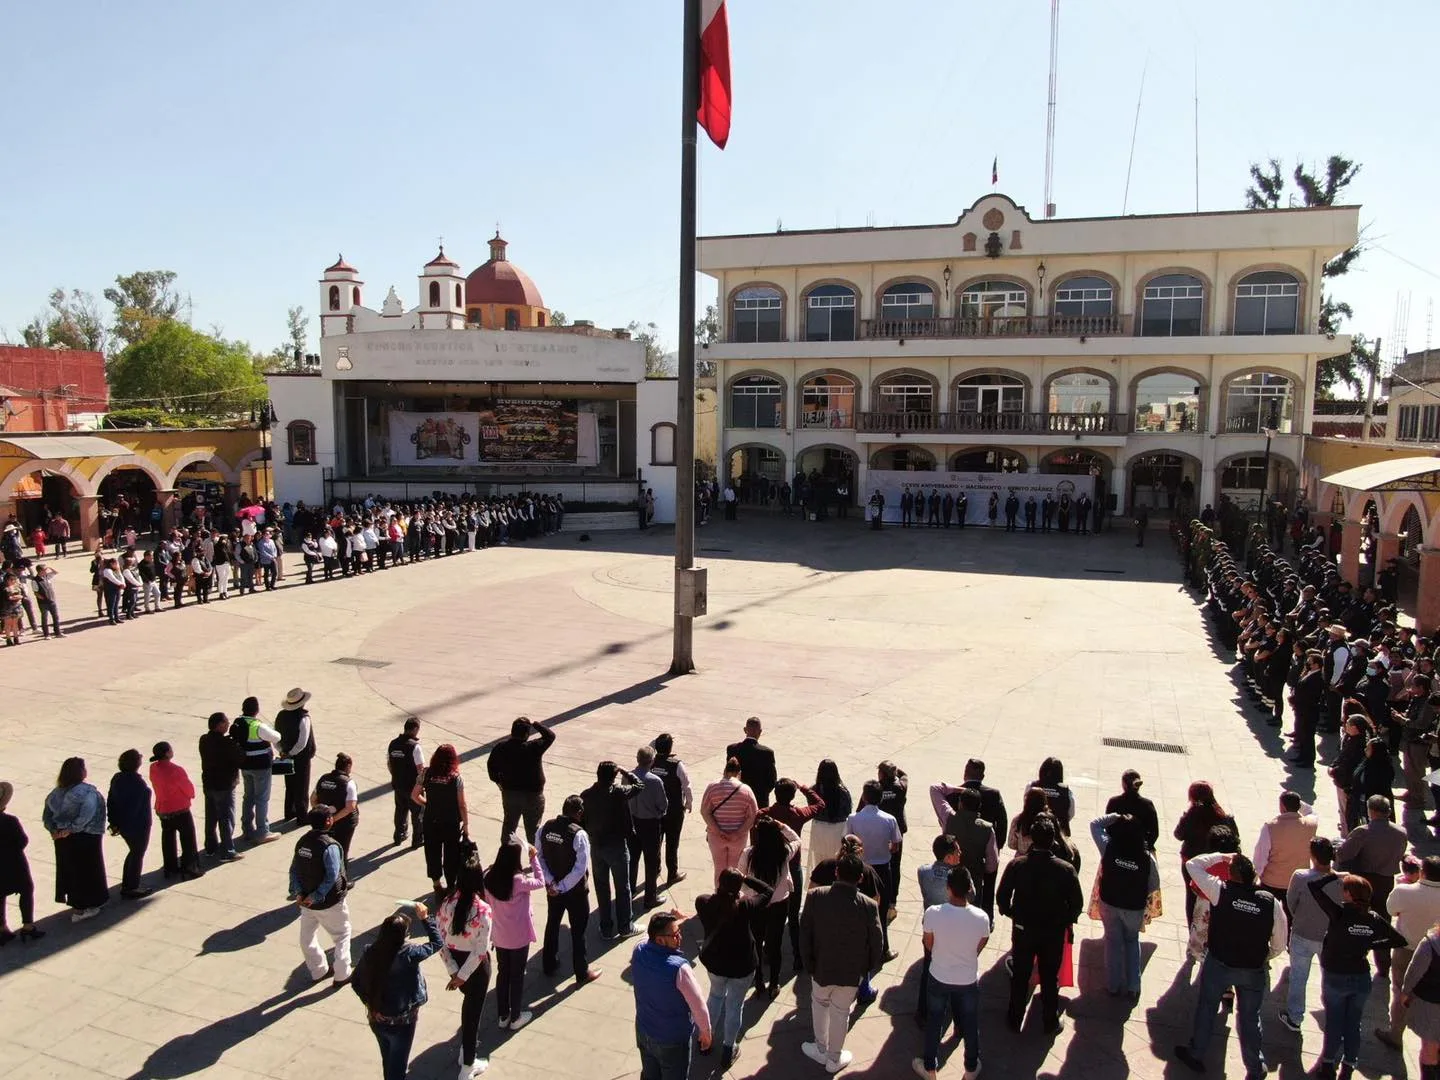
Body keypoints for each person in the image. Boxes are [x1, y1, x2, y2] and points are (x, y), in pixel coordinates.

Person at [1173, 852, 1287, 1078]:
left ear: (1231, 875)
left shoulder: (1220, 891)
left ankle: (1196, 1054)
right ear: (1254, 876)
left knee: (1207, 1008)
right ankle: (1255, 1067)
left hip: (1220, 963)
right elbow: (1280, 943)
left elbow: (1193, 865)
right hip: (1253, 969)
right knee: (1250, 1019)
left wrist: (1222, 857)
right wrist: (1265, 957)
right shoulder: (1270, 903)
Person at [1308, 870, 1409, 1076]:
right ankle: (1349, 1064)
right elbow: (1399, 940)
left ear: (1349, 894)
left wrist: (1333, 875)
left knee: (1335, 1022)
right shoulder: (1373, 918)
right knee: (1353, 1024)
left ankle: (1327, 1064)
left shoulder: (1339, 914)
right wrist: (1371, 942)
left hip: (1336, 975)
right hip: (1360, 976)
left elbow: (1313, 887)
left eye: (1344, 889)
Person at [996, 817, 1083, 1035]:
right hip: (1052, 932)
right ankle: (1049, 1020)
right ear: (1053, 840)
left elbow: (1002, 896)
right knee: (1049, 976)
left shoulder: (1018, 865)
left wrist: (1013, 914)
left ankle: (1014, 1018)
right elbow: (1076, 904)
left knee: (1020, 974)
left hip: (1024, 929)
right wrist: (1064, 921)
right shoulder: (1065, 869)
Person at [800, 851, 884, 1074]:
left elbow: (804, 933)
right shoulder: (868, 905)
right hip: (850, 973)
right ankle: (834, 1057)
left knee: (819, 1006)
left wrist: (809, 963)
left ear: (836, 872)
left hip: (821, 968)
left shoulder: (816, 895)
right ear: (860, 878)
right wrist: (864, 968)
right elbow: (877, 943)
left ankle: (820, 1048)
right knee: (841, 1012)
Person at [352, 903, 446, 1080]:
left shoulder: (370, 951)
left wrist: (370, 1004)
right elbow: (436, 942)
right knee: (397, 1067)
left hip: (377, 1018)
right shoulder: (409, 953)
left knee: (388, 1059)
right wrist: (425, 918)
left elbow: (356, 982)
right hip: (402, 1021)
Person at [913, 864, 989, 1080]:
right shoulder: (981, 918)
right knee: (970, 1023)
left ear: (948, 888)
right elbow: (980, 945)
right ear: (969, 889)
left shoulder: (933, 913)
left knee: (935, 1020)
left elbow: (928, 944)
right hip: (966, 979)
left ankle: (929, 1067)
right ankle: (971, 1067)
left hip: (939, 975)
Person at [696, 866, 775, 1069]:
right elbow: (768, 891)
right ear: (739, 887)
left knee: (715, 997)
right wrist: (746, 877)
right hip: (742, 966)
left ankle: (706, 1038)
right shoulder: (745, 906)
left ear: (718, 884)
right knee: (734, 1007)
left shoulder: (704, 902)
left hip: (716, 963)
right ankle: (728, 1048)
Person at [631, 910, 713, 1080]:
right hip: (672, 1040)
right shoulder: (679, 969)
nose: (680, 938)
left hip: (644, 1030)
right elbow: (698, 1005)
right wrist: (705, 1031)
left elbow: (646, 939)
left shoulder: (638, 951)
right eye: (675, 935)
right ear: (660, 940)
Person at [1337, 794, 1409, 979]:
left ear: (1371, 811)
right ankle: (1383, 965)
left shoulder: (1363, 831)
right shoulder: (1401, 832)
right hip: (1386, 881)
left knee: (1358, 918)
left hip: (1365, 881)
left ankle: (1354, 956)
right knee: (1382, 921)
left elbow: (1344, 854)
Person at [1090, 813, 1160, 999]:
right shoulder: (1146, 857)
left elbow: (1095, 825)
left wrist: (1116, 816)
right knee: (1131, 941)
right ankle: (1133, 986)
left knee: (1112, 943)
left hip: (1110, 902)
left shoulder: (1108, 847)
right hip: (1133, 906)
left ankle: (1113, 986)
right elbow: (1154, 884)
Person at [762, 777, 827, 970]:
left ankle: (768, 952)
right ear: (792, 796)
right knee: (793, 915)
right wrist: (805, 788)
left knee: (770, 912)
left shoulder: (765, 814)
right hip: (793, 866)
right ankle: (798, 956)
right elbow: (820, 804)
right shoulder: (798, 814)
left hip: (770, 868)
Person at [537, 794, 602, 986]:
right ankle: (582, 972)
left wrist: (550, 883)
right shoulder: (579, 834)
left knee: (552, 924)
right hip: (575, 893)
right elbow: (580, 868)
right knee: (578, 931)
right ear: (579, 813)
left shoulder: (545, 828)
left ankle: (548, 964)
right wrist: (562, 886)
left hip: (553, 891)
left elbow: (539, 858)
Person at [1281, 836, 1344, 1032]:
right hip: (1329, 938)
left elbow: (1290, 904)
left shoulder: (1300, 876)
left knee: (1298, 977)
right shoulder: (1342, 880)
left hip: (1302, 932)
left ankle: (1295, 1016)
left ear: (1313, 856)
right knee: (1330, 979)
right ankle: (1333, 1016)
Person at [1378, 855, 1440, 1050]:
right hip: (1437, 952)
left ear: (1422, 872)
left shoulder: (1404, 891)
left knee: (1400, 992)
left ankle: (1396, 1034)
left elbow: (1391, 909)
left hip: (1406, 949)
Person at [439, 857, 493, 1078]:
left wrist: (453, 970)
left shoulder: (446, 903)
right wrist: (462, 975)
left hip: (457, 962)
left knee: (469, 1009)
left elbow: (439, 938)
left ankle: (466, 1052)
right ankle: (468, 1065)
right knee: (472, 1015)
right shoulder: (483, 910)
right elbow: (481, 951)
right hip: (476, 969)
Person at [288, 804, 353, 985]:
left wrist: (299, 893)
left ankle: (318, 970)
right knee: (342, 935)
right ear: (328, 821)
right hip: (330, 902)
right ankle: (342, 974)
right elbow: (332, 875)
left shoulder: (302, 842)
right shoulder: (330, 846)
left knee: (306, 938)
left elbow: (294, 869)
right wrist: (316, 895)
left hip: (307, 903)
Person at [484, 836, 544, 1031]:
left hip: (499, 936)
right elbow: (540, 881)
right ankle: (516, 1015)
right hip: (518, 936)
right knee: (517, 976)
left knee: (503, 974)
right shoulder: (518, 881)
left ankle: (503, 1015)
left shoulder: (489, 879)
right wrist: (534, 858)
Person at [738, 815, 801, 997]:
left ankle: (758, 982)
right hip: (779, 902)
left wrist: (746, 893)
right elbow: (796, 839)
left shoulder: (749, 853)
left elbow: (741, 876)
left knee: (756, 941)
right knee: (775, 943)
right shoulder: (784, 852)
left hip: (756, 903)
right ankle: (774, 983)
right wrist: (782, 825)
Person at [582, 760, 643, 939]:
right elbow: (639, 785)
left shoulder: (586, 794)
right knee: (622, 887)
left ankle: (606, 927)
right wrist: (627, 773)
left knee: (601, 887)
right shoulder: (618, 792)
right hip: (616, 845)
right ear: (614, 777)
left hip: (596, 845)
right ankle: (625, 926)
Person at [44, 757, 109, 922]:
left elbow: (47, 816)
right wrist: (70, 829)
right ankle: (88, 905)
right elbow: (86, 816)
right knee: (89, 870)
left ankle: (77, 904)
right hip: (85, 837)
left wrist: (54, 830)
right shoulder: (87, 793)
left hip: (62, 838)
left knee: (70, 870)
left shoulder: (55, 793)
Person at [847, 779, 901, 960]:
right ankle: (884, 949)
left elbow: (846, 840)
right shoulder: (889, 819)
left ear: (864, 796)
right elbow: (895, 846)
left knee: (858, 910)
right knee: (881, 909)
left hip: (860, 870)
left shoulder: (853, 819)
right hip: (883, 870)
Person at [930, 783, 999, 920]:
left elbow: (935, 789)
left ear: (960, 803)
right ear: (979, 806)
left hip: (948, 879)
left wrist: (962, 789)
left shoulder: (949, 817)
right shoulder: (988, 829)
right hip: (973, 880)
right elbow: (992, 864)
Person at [1174, 781, 1238, 923]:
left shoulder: (1191, 815)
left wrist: (1184, 817)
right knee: (1214, 895)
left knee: (1191, 896)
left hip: (1190, 862)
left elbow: (1178, 835)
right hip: (1216, 864)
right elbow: (1235, 839)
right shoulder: (1223, 816)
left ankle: (1193, 927)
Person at [486, 716, 555, 845]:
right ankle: (535, 862)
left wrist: (498, 781)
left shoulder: (501, 747)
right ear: (527, 734)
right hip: (533, 796)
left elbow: (491, 766)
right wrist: (536, 724)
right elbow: (550, 736)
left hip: (510, 793)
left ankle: (506, 858)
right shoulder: (534, 747)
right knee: (533, 831)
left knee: (509, 827)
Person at [413, 744, 469, 894]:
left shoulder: (426, 773)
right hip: (450, 821)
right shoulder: (456, 777)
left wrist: (427, 803)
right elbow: (462, 804)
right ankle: (451, 884)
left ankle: (436, 884)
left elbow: (414, 795)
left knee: (432, 851)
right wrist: (466, 824)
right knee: (451, 853)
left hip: (431, 820)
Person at [1253, 790, 1318, 914]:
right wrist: (1298, 803)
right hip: (1298, 882)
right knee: (1291, 917)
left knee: (1268, 916)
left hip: (1271, 882)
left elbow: (1260, 858)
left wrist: (1255, 878)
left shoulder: (1270, 827)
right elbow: (1311, 811)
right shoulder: (1311, 824)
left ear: (1282, 806)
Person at [701, 757, 759, 886]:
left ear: (724, 771)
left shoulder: (712, 787)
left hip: (716, 837)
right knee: (736, 869)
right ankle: (734, 896)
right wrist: (738, 833)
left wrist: (717, 830)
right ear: (739, 773)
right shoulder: (747, 790)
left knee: (719, 868)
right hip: (738, 838)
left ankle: (719, 894)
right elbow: (753, 815)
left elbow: (705, 811)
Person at [149, 741, 202, 880]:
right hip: (179, 809)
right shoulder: (176, 770)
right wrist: (191, 795)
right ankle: (190, 867)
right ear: (167, 753)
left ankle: (170, 868)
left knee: (168, 838)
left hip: (163, 808)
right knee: (188, 839)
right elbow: (188, 789)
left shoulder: (153, 767)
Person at [233, 696, 281, 844]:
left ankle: (247, 829)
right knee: (261, 799)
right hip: (260, 767)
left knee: (248, 797)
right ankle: (262, 831)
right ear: (257, 710)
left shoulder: (237, 723)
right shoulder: (257, 726)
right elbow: (276, 737)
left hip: (245, 766)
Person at [106, 749, 154, 899]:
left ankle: (128, 883)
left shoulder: (117, 778)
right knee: (137, 853)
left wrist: (113, 822)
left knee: (133, 853)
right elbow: (135, 808)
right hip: (138, 826)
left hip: (123, 825)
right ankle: (131, 886)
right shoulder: (137, 783)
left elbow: (111, 801)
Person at [198, 711, 244, 861]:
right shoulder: (227, 744)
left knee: (211, 818)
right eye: (226, 722)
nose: (228, 724)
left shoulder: (204, 740)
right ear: (219, 725)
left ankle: (210, 848)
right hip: (224, 785)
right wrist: (236, 741)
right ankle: (227, 850)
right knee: (226, 818)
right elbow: (240, 759)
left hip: (209, 784)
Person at [0, 782, 41, 942]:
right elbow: (22, 841)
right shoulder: (10, 821)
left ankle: (2, 928)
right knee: (26, 890)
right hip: (14, 863)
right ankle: (28, 926)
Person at [1399, 921, 1440, 1080]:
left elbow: (1414, 972)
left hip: (1430, 1005)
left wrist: (1405, 993)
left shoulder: (1431, 943)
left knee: (1429, 1050)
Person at [650, 733, 692, 885]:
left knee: (656, 842)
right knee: (672, 843)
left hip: (655, 810)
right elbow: (686, 786)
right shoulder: (677, 764)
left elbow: (648, 747)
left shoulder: (651, 762)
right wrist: (689, 803)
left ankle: (655, 869)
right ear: (670, 748)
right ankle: (672, 873)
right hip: (674, 810)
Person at [276, 687, 317, 825]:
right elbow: (302, 742)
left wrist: (283, 751)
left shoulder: (281, 715)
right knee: (302, 786)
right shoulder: (303, 718)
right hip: (301, 758)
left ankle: (289, 812)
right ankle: (301, 815)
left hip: (285, 754)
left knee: (290, 785)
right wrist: (292, 753)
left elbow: (277, 737)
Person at [876, 761, 909, 919]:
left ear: (881, 774)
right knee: (895, 867)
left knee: (879, 864)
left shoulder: (876, 788)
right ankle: (891, 903)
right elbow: (905, 776)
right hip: (896, 833)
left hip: (880, 831)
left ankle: (878, 897)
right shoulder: (901, 787)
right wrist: (896, 772)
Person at [313, 753, 360, 861]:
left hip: (325, 823)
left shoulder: (323, 779)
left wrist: (323, 815)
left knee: (326, 850)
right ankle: (340, 874)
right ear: (348, 766)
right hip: (345, 824)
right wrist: (333, 819)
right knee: (342, 851)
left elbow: (313, 799)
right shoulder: (349, 783)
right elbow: (350, 807)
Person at [387, 717, 425, 848]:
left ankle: (399, 835)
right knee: (418, 813)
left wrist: (395, 776)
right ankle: (417, 840)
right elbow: (420, 769)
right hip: (413, 787)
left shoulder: (393, 743)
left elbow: (389, 764)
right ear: (415, 729)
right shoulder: (415, 747)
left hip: (398, 785)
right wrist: (422, 785)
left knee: (400, 810)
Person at [809, 759, 853, 867]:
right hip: (838, 829)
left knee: (820, 861)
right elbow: (848, 811)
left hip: (819, 830)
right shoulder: (843, 791)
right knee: (837, 860)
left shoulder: (813, 790)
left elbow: (812, 810)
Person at [726, 717, 778, 807]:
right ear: (760, 731)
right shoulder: (767, 753)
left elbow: (729, 774)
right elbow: (772, 780)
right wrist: (762, 794)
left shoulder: (732, 749)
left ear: (745, 730)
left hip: (736, 798)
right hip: (759, 800)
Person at [1104, 769, 1159, 850]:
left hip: (1117, 847)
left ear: (1124, 785)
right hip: (1140, 849)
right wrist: (1145, 846)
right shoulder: (1147, 804)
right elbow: (1154, 833)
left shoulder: (1114, 802)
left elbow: (1107, 826)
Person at [1289, 650, 1326, 768]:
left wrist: (1297, 700)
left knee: (1308, 736)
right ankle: (1302, 755)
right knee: (1303, 734)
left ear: (1316, 664)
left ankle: (1308, 760)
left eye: (1310, 662)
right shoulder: (1309, 673)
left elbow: (1310, 696)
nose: (1307, 664)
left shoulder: (1317, 678)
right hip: (1302, 709)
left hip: (1309, 711)